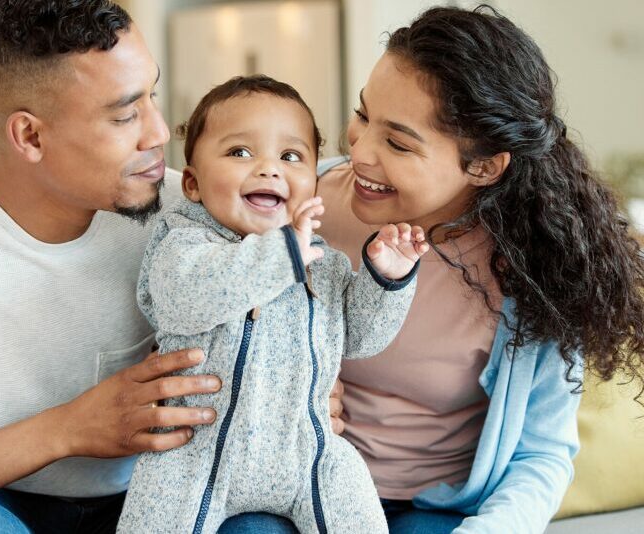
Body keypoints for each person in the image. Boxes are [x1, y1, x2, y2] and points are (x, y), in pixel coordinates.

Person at [0, 2, 282, 532]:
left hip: (158, 493)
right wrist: (66, 431)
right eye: (125, 115)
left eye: (153, 96)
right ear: (29, 136)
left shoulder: (188, 211)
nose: (159, 133)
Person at [313, 6, 644, 534]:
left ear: (484, 166)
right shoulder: (299, 207)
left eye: (398, 142)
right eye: (362, 115)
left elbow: (542, 456)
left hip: (434, 511)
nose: (360, 151)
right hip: (299, 483)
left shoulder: (533, 274)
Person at [116, 75, 428, 533]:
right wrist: (281, 254)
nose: (269, 169)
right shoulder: (183, 246)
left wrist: (387, 278)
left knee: (355, 507)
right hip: (194, 454)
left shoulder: (324, 263)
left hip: (308, 452)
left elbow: (359, 338)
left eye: (291, 156)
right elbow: (188, 300)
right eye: (240, 153)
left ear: (313, 184)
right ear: (193, 183)